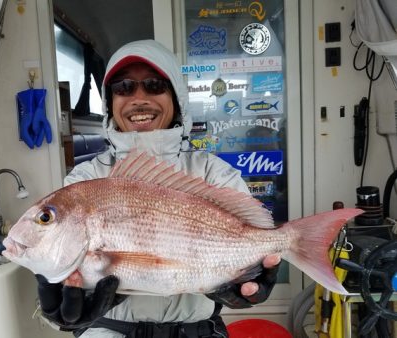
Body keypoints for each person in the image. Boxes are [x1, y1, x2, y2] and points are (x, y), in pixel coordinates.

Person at [36, 39, 281, 338]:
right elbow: (70, 267)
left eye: (154, 85)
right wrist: (62, 307)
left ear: (176, 98)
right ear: (110, 103)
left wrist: (251, 277)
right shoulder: (85, 181)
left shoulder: (213, 173)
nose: (138, 98)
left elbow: (251, 237)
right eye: (123, 87)